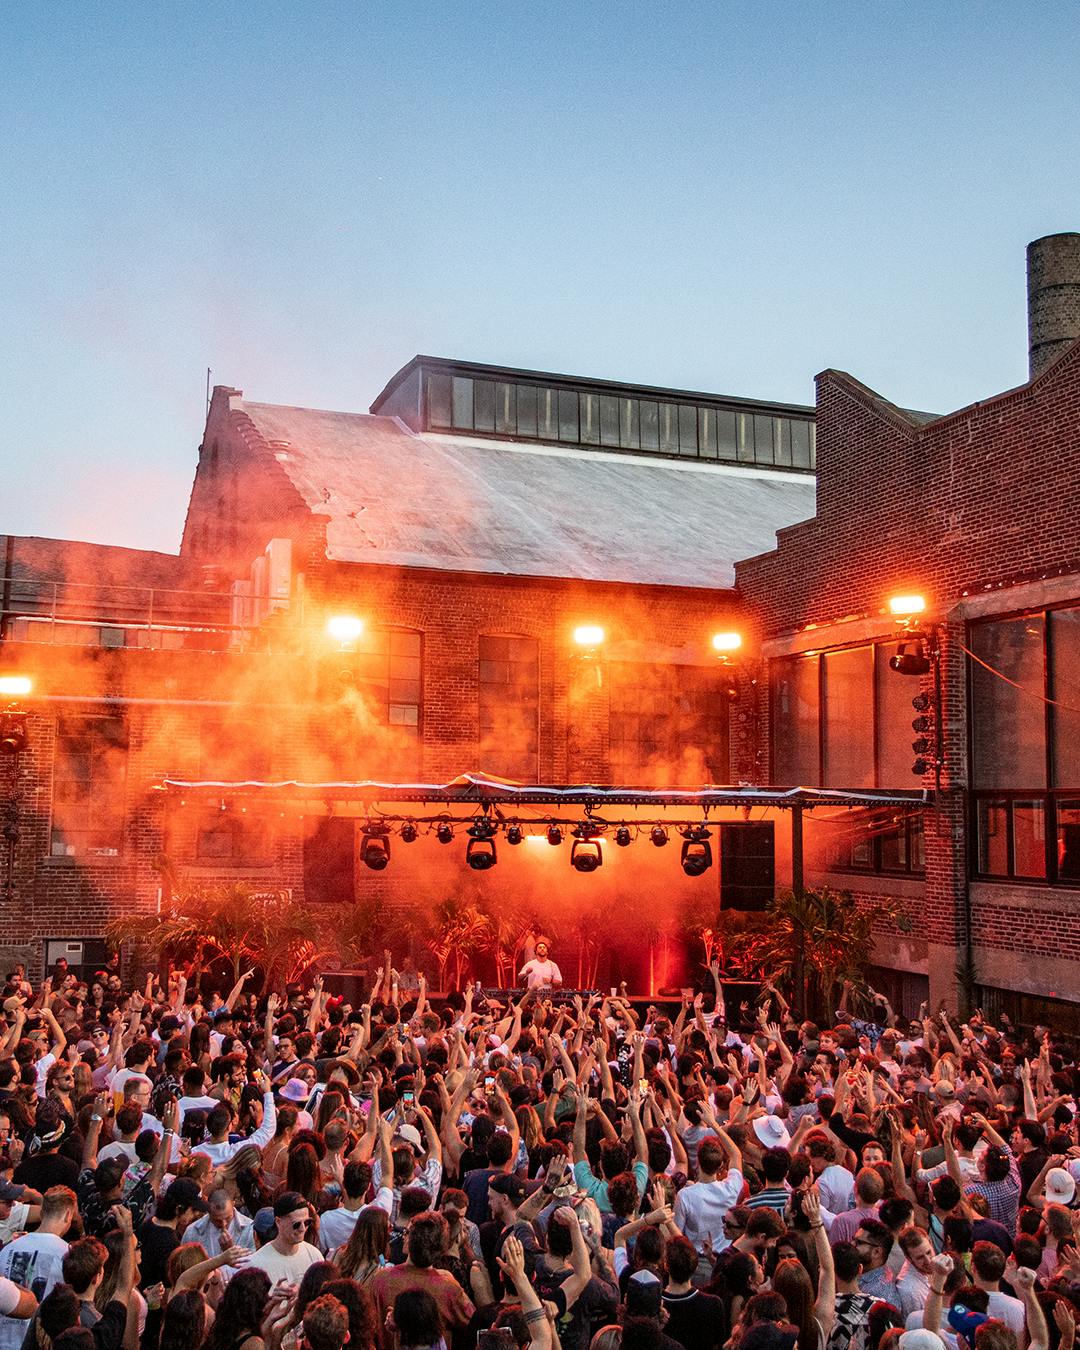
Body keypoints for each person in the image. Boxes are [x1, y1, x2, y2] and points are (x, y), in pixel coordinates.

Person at [246, 1193, 323, 1284]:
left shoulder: (314, 1255)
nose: (302, 1229)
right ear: (278, 1222)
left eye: (307, 1222)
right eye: (296, 1224)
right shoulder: (256, 1264)